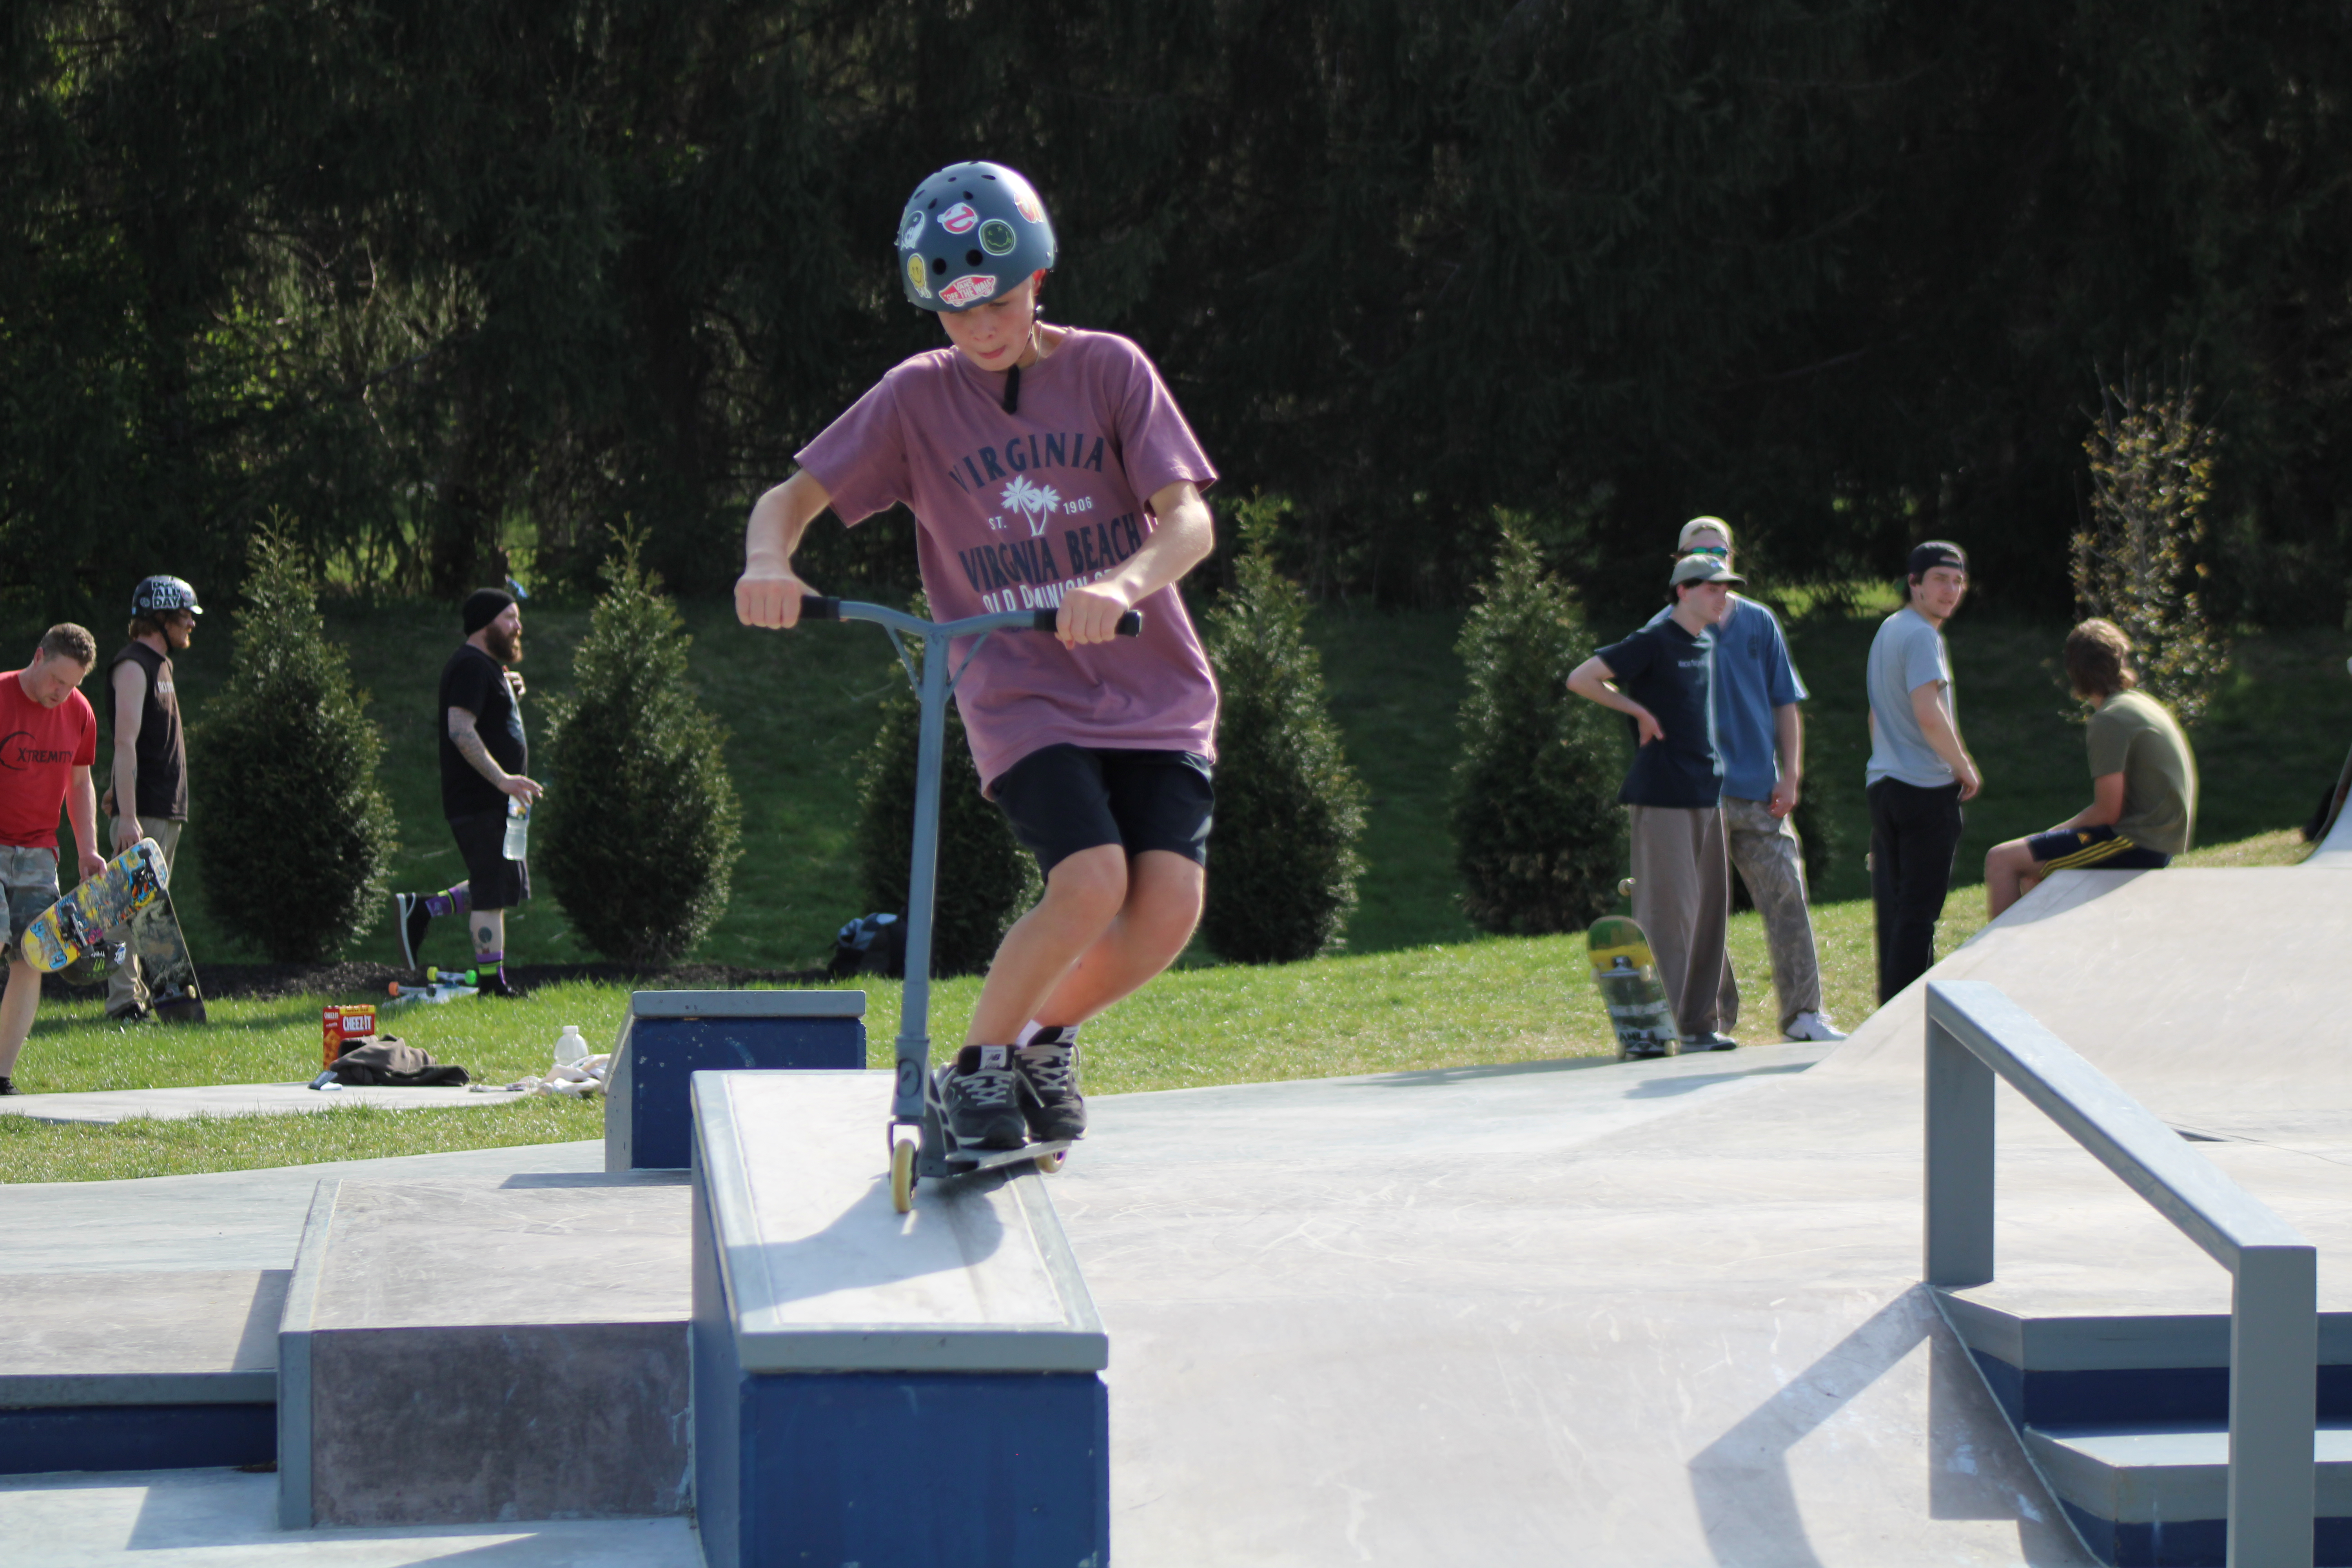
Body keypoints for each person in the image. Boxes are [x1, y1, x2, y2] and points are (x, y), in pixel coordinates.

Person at [735, 160, 1218, 1150]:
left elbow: (1190, 521)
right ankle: (977, 1071)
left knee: (1166, 906)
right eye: (955, 315)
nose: (980, 330)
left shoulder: (1111, 369)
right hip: (1018, 684)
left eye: (996, 303)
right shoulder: (916, 398)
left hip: (1149, 681)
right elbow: (789, 502)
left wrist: (1121, 585)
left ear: (1038, 279)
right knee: (1089, 880)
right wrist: (767, 562)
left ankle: (1045, 1040)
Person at [1643, 519, 1844, 1043]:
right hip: (1694, 799)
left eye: (1720, 551)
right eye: (1699, 552)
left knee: (1787, 895)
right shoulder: (1664, 631)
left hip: (1760, 791)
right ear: (1680, 565)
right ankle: (1710, 1022)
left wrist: (1792, 774)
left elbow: (1785, 701)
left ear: (1734, 558)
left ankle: (1805, 1014)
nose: (1712, 559)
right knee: (1701, 915)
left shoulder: (1759, 623)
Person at [1568, 553, 1744, 1051]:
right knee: (1671, 912)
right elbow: (1582, 678)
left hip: (1706, 794)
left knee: (1710, 911)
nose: (1722, 597)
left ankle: (1698, 1025)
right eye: (1712, 589)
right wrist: (1637, 710)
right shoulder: (1654, 640)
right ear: (1683, 591)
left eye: (1725, 588)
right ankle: (1654, 1029)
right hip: (1662, 796)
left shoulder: (1705, 643)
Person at [1984, 619, 2197, 917]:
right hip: (2160, 838)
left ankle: (2000, 961)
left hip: (2138, 842)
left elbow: (2107, 811)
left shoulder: (2110, 719)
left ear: (2074, 673)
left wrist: (2049, 836)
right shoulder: (2142, 704)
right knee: (2033, 871)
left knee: (2003, 860)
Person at [391, 590, 541, 998]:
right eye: (510, 617)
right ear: (485, 622)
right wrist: (503, 779)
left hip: (498, 802)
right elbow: (460, 729)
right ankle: (492, 984)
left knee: (502, 881)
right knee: (492, 888)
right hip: (481, 799)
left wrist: (508, 691)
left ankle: (424, 909)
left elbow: (488, 716)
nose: (518, 626)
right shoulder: (472, 666)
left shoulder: (487, 668)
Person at [1864, 541, 1983, 1003]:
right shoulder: (1921, 636)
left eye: (1958, 581)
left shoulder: (1889, 631)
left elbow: (1875, 716)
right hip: (1924, 789)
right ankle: (1905, 1023)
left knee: (1897, 913)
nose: (1951, 590)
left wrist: (1889, 760)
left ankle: (1889, 1014)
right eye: (1939, 579)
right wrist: (1963, 766)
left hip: (1885, 786)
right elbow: (1928, 711)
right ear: (1913, 583)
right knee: (1918, 915)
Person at [0, 627, 107, 1094]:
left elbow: (79, 783)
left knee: (35, 954)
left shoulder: (79, 712)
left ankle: (1, 1075)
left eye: (72, 685)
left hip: (40, 850)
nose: (60, 693)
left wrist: (87, 849)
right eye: (56, 680)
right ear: (38, 656)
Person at [101, 575, 200, 1021]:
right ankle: (123, 1003)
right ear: (159, 617)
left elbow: (143, 744)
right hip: (144, 812)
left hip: (163, 807)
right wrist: (126, 814)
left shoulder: (161, 664)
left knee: (150, 910)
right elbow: (125, 742)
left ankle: (145, 997)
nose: (191, 625)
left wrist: (114, 791)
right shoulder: (132, 665)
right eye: (185, 616)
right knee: (127, 911)